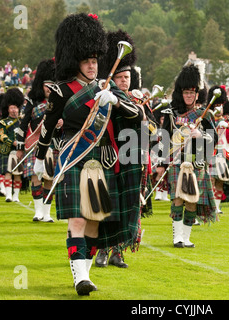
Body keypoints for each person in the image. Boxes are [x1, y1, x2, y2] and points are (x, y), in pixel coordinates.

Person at [33, 13, 143, 296]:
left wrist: (115, 100)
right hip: (74, 156)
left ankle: (85, 273)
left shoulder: (106, 88)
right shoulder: (60, 91)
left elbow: (137, 115)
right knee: (78, 220)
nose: (93, 65)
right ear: (75, 60)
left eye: (96, 59)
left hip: (103, 159)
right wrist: (38, 158)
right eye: (87, 59)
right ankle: (80, 276)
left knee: (94, 219)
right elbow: (47, 127)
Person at [94, 29, 144, 269]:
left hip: (131, 158)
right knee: (108, 206)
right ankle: (102, 250)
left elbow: (147, 123)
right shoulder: (103, 96)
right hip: (109, 157)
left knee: (125, 208)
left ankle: (118, 252)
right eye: (121, 77)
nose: (125, 81)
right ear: (113, 78)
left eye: (128, 77)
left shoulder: (134, 101)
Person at [158, 64, 218, 248]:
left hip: (196, 162)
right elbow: (164, 138)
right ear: (180, 93)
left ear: (197, 94)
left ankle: (186, 237)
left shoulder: (204, 114)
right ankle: (177, 237)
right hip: (177, 160)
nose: (189, 96)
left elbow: (214, 137)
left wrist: (201, 136)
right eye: (186, 92)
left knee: (192, 200)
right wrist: (161, 162)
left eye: (192, 92)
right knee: (178, 198)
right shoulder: (171, 114)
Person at [16, 58, 60, 222]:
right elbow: (23, 123)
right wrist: (20, 146)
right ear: (41, 85)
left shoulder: (59, 102)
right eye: (47, 85)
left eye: (52, 86)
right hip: (35, 146)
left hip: (54, 145)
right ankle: (38, 211)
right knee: (36, 177)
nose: (49, 89)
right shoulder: (32, 101)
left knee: (49, 179)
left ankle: (47, 214)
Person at [0, 88, 24, 202]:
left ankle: (16, 196)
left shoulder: (22, 122)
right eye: (12, 108)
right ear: (8, 109)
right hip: (8, 151)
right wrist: (11, 142)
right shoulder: (4, 122)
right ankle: (8, 195)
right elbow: (2, 136)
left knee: (18, 174)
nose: (14, 110)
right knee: (8, 173)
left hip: (19, 151)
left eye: (16, 108)